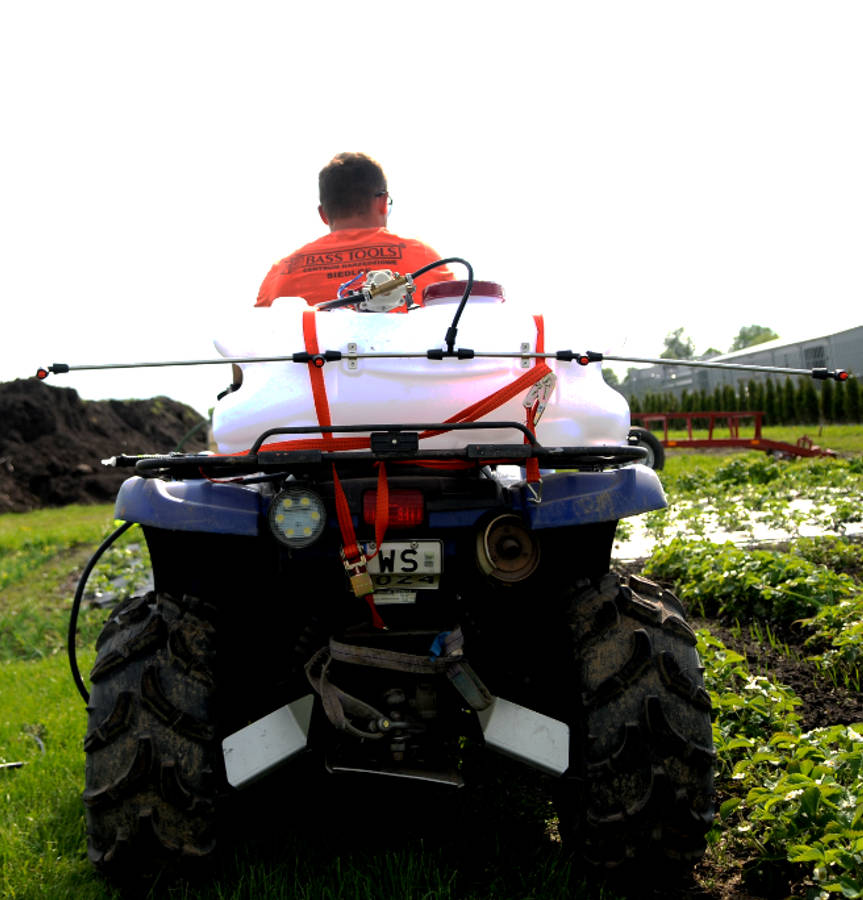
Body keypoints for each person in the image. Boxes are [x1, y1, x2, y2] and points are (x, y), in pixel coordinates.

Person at [255, 152, 454, 308]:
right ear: (383, 203)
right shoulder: (427, 260)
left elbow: (254, 343)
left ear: (323, 214)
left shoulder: (280, 274)